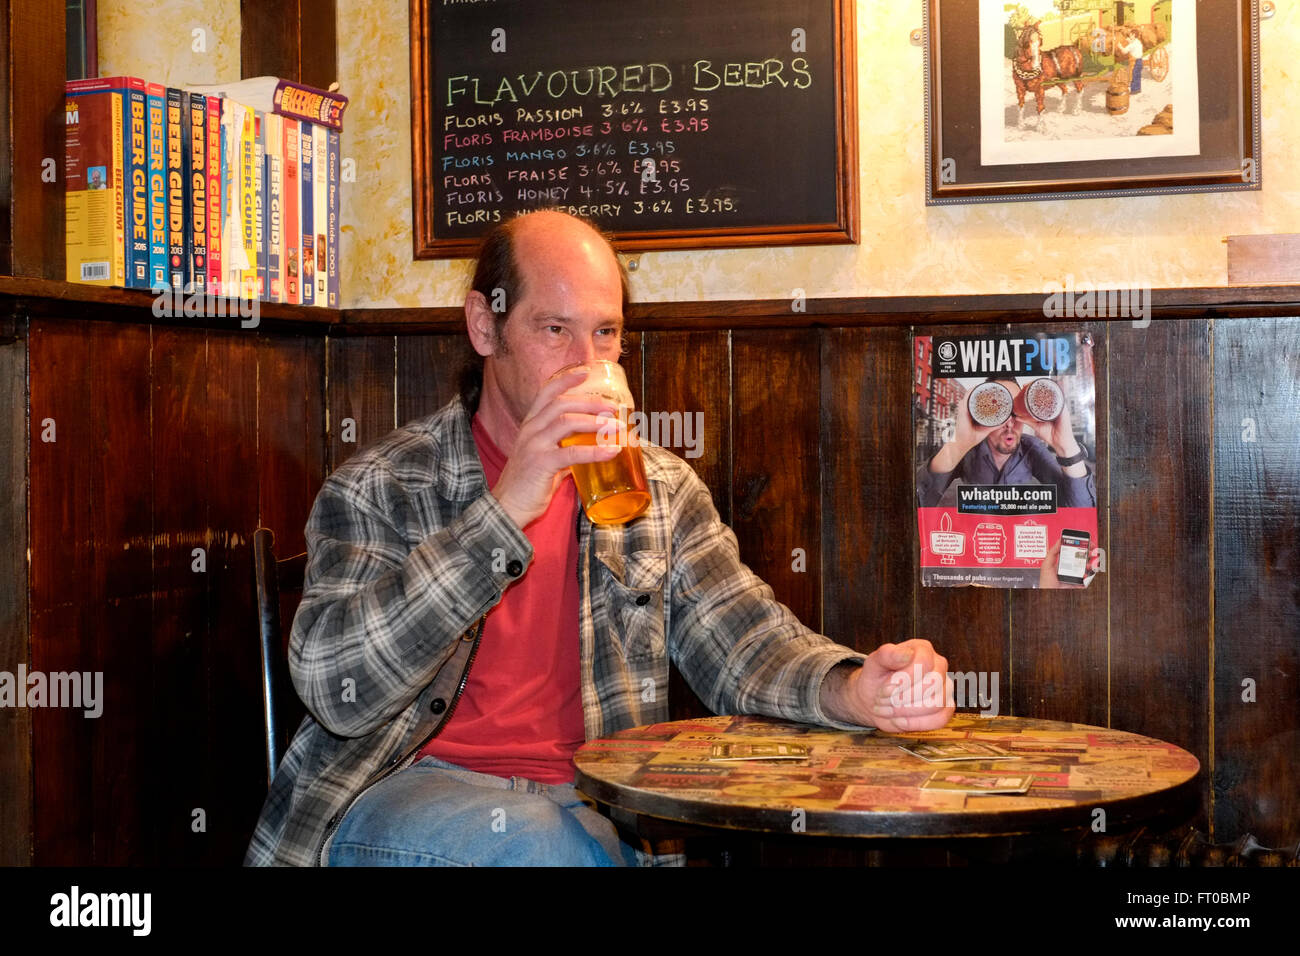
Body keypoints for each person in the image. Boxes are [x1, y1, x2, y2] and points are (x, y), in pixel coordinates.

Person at [245, 209, 955, 867]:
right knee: (549, 848)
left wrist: (854, 690)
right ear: (484, 327)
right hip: (405, 793)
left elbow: (746, 645)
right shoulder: (383, 485)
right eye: (555, 329)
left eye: (606, 332)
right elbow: (335, 691)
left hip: (596, 799)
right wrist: (507, 507)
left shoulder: (659, 489)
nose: (587, 361)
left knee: (584, 844)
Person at [916, 377, 1096, 510]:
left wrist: (1066, 446)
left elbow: (1081, 510)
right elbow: (914, 507)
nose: (1009, 423)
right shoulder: (967, 451)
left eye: (1015, 412)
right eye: (999, 412)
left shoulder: (1031, 449)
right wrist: (959, 445)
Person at [1118, 30, 1144, 94]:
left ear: (1134, 35)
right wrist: (1129, 41)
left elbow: (1124, 51)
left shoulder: (1132, 45)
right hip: (1140, 60)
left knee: (1133, 75)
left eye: (1131, 35)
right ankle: (1138, 89)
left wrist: (1120, 46)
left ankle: (1134, 90)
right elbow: (1132, 43)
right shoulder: (1137, 41)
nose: (1129, 35)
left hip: (1135, 61)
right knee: (1138, 75)